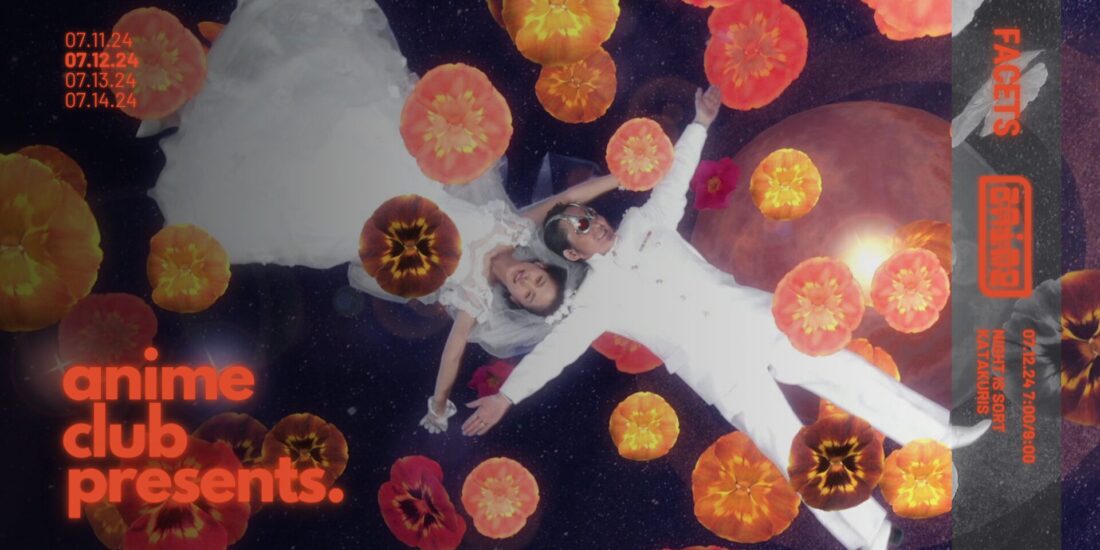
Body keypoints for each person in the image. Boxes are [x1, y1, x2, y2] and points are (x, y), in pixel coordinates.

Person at [464, 86, 991, 550]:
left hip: (761, 325)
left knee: (852, 376)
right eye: (580, 227)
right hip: (720, 369)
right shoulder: (592, 301)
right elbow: (555, 353)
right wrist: (507, 396)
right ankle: (867, 535)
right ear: (571, 254)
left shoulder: (646, 222)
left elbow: (674, 182)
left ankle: (940, 433)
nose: (592, 222)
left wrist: (698, 124)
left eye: (589, 214)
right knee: (790, 448)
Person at [146, 0, 615, 434]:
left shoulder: (476, 295)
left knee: (295, 184)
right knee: (333, 111)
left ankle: (194, 119)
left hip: (379, 219)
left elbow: (453, 353)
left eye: (526, 294)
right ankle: (228, 77)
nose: (525, 282)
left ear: (514, 299)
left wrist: (439, 404)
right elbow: (568, 197)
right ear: (540, 264)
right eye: (537, 279)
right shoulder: (515, 227)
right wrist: (620, 177)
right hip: (404, 171)